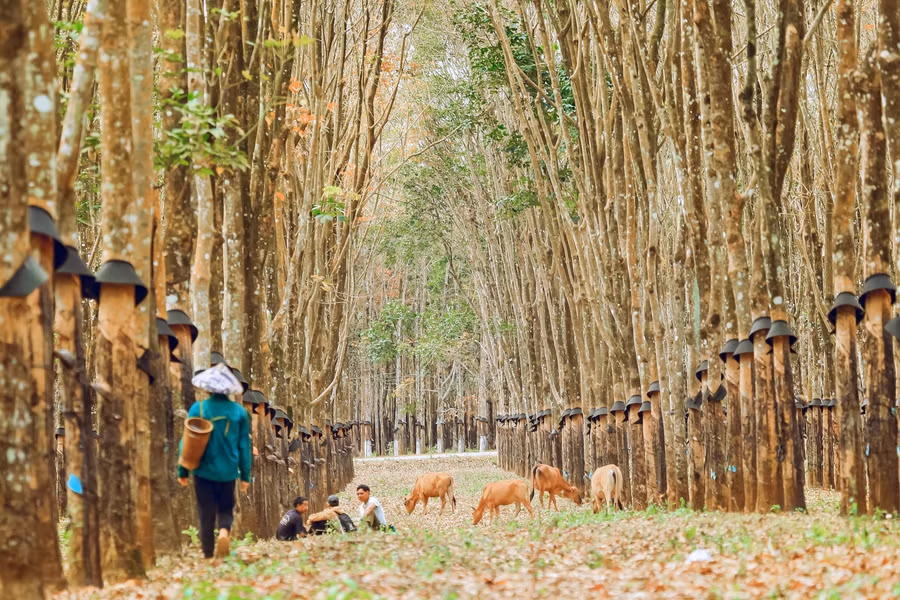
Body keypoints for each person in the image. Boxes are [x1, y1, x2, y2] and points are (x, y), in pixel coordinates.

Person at [177, 390, 252, 559]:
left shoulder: (198, 408)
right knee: (226, 508)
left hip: (203, 471)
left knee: (206, 511)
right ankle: (224, 531)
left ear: (209, 388)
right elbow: (244, 445)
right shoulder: (239, 412)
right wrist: (245, 476)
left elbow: (187, 441)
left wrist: (182, 470)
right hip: (228, 471)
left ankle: (209, 554)